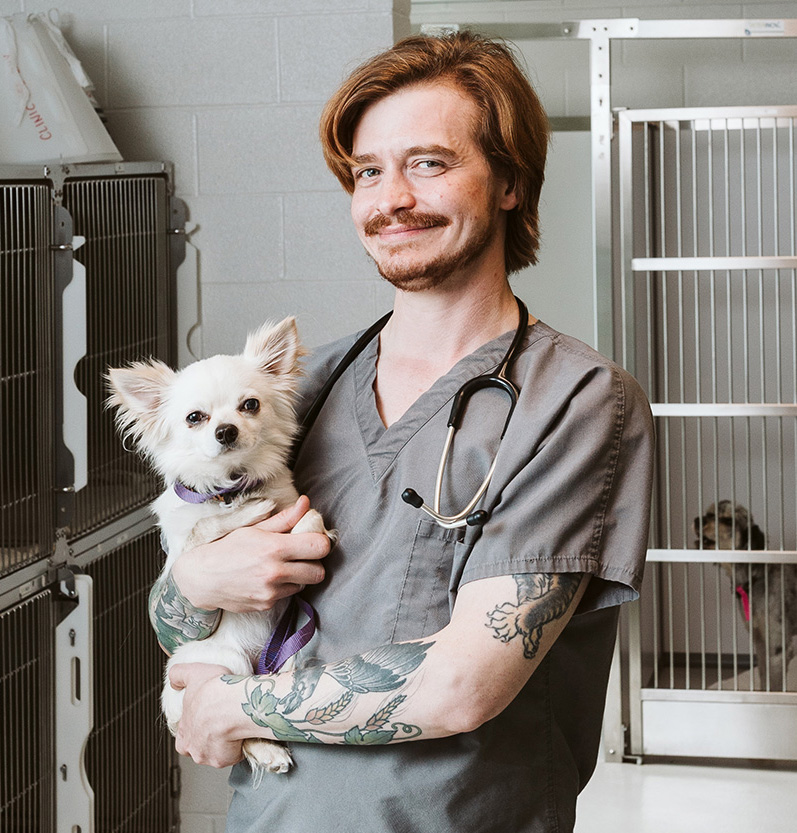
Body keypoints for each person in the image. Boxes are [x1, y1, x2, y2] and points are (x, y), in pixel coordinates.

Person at [154, 31, 654, 832]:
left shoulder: (577, 401)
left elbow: (462, 686)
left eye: (429, 162)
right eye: (367, 172)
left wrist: (231, 705)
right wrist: (192, 585)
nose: (391, 199)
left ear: (509, 183)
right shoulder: (295, 395)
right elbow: (182, 611)